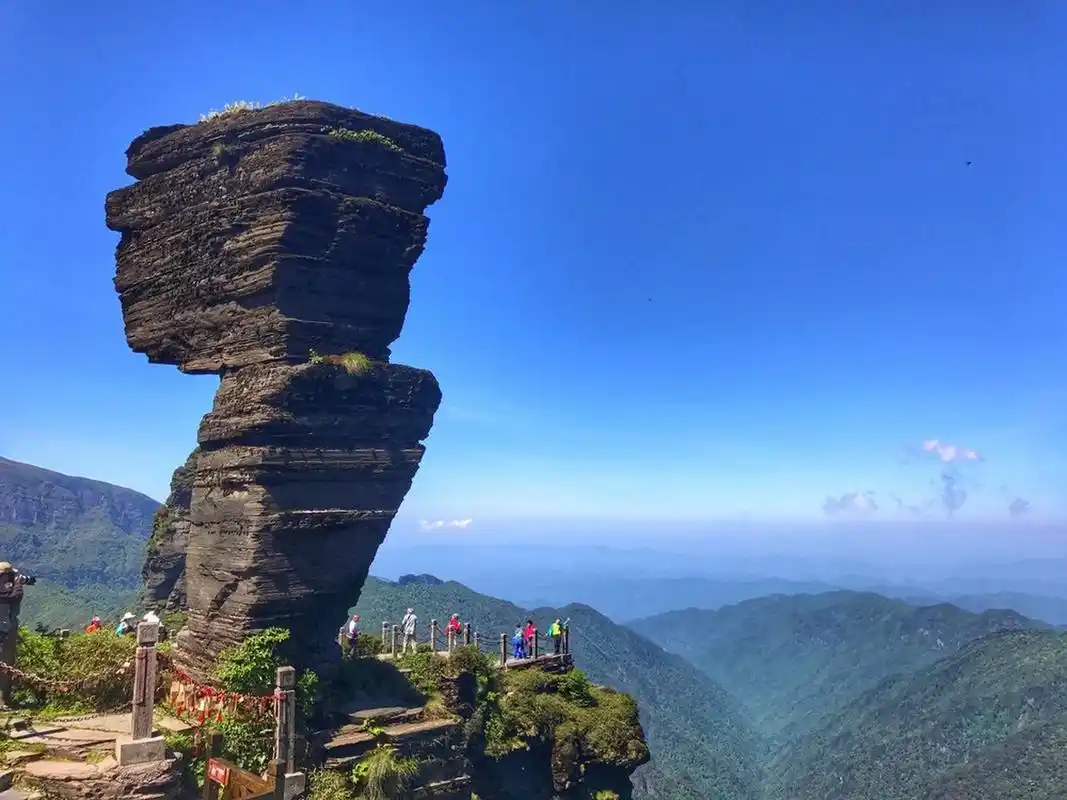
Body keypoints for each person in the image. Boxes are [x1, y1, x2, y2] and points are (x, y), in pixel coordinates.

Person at [0, 562, 36, 708]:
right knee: (6, 663)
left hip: (6, 625)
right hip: (8, 626)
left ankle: (3, 698)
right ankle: (4, 698)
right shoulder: (13, 583)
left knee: (6, 664)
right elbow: (23, 584)